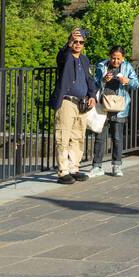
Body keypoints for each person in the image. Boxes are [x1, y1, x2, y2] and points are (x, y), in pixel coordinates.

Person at [51, 27, 97, 185]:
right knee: (63, 136)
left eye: (81, 42)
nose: (78, 44)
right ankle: (63, 171)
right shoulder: (67, 57)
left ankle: (74, 168)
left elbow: (89, 79)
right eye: (75, 42)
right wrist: (67, 44)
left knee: (78, 137)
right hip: (67, 101)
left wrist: (92, 96)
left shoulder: (84, 59)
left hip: (82, 103)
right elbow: (61, 57)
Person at [91, 46, 139, 177]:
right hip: (103, 106)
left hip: (119, 107)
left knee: (117, 137)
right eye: (113, 58)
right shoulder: (102, 66)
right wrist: (103, 80)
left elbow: (136, 84)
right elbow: (94, 83)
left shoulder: (127, 67)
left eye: (118, 58)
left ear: (123, 58)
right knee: (99, 137)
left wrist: (127, 81)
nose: (116, 61)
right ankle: (96, 166)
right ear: (109, 56)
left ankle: (116, 166)